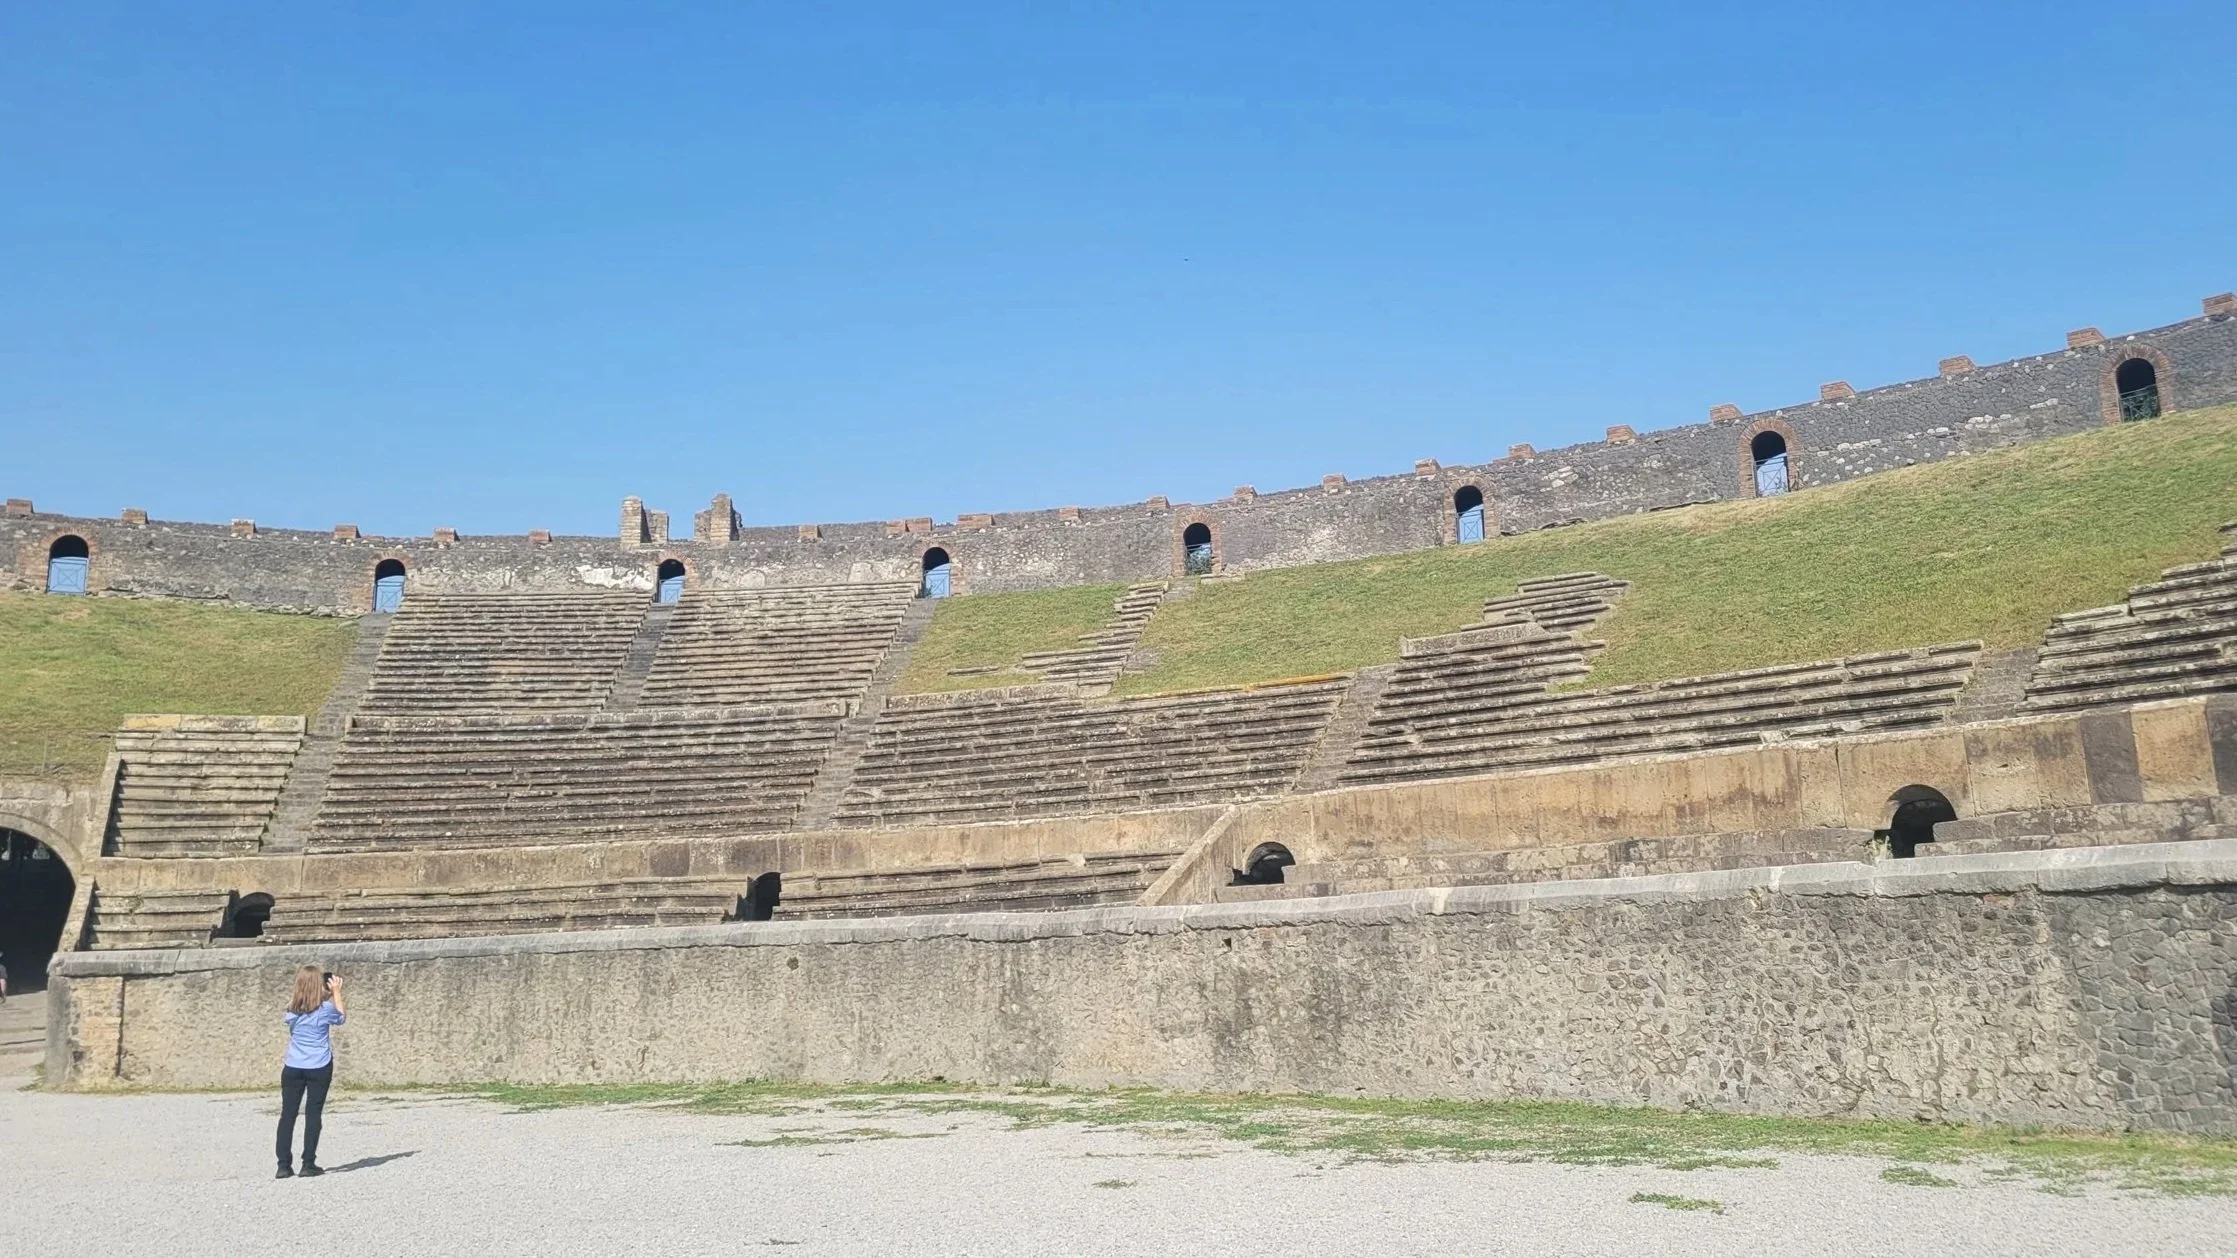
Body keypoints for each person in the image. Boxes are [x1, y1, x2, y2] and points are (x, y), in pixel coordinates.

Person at [276, 965, 345, 1179]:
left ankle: (283, 1165)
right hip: (319, 1065)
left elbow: (294, 1011)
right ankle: (308, 1162)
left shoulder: (291, 1010)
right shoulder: (325, 1009)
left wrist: (302, 992)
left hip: (293, 1065)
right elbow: (341, 1017)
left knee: (288, 1114)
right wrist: (336, 992)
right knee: (313, 1114)